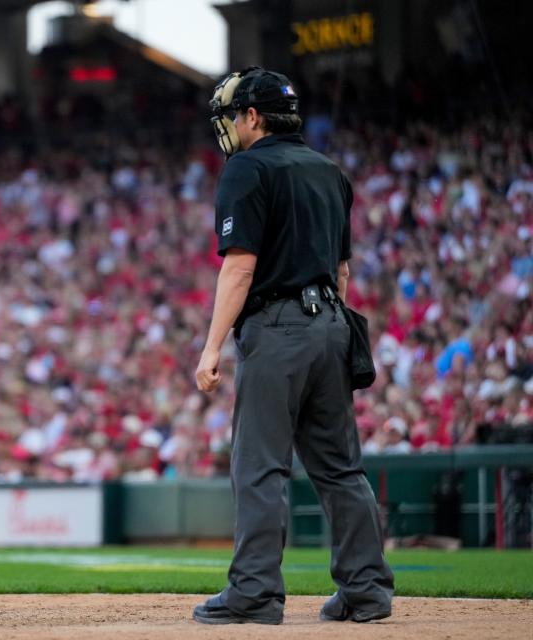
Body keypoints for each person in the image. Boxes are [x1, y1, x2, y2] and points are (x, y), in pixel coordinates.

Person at [192, 67, 394, 625]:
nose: (228, 126)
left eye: (233, 115)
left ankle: (254, 594)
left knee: (258, 466)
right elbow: (342, 269)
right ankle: (367, 590)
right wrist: (330, 327)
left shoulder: (246, 167)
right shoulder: (329, 170)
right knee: (340, 468)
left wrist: (211, 348)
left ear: (253, 116)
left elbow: (240, 267)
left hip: (278, 327)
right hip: (332, 321)